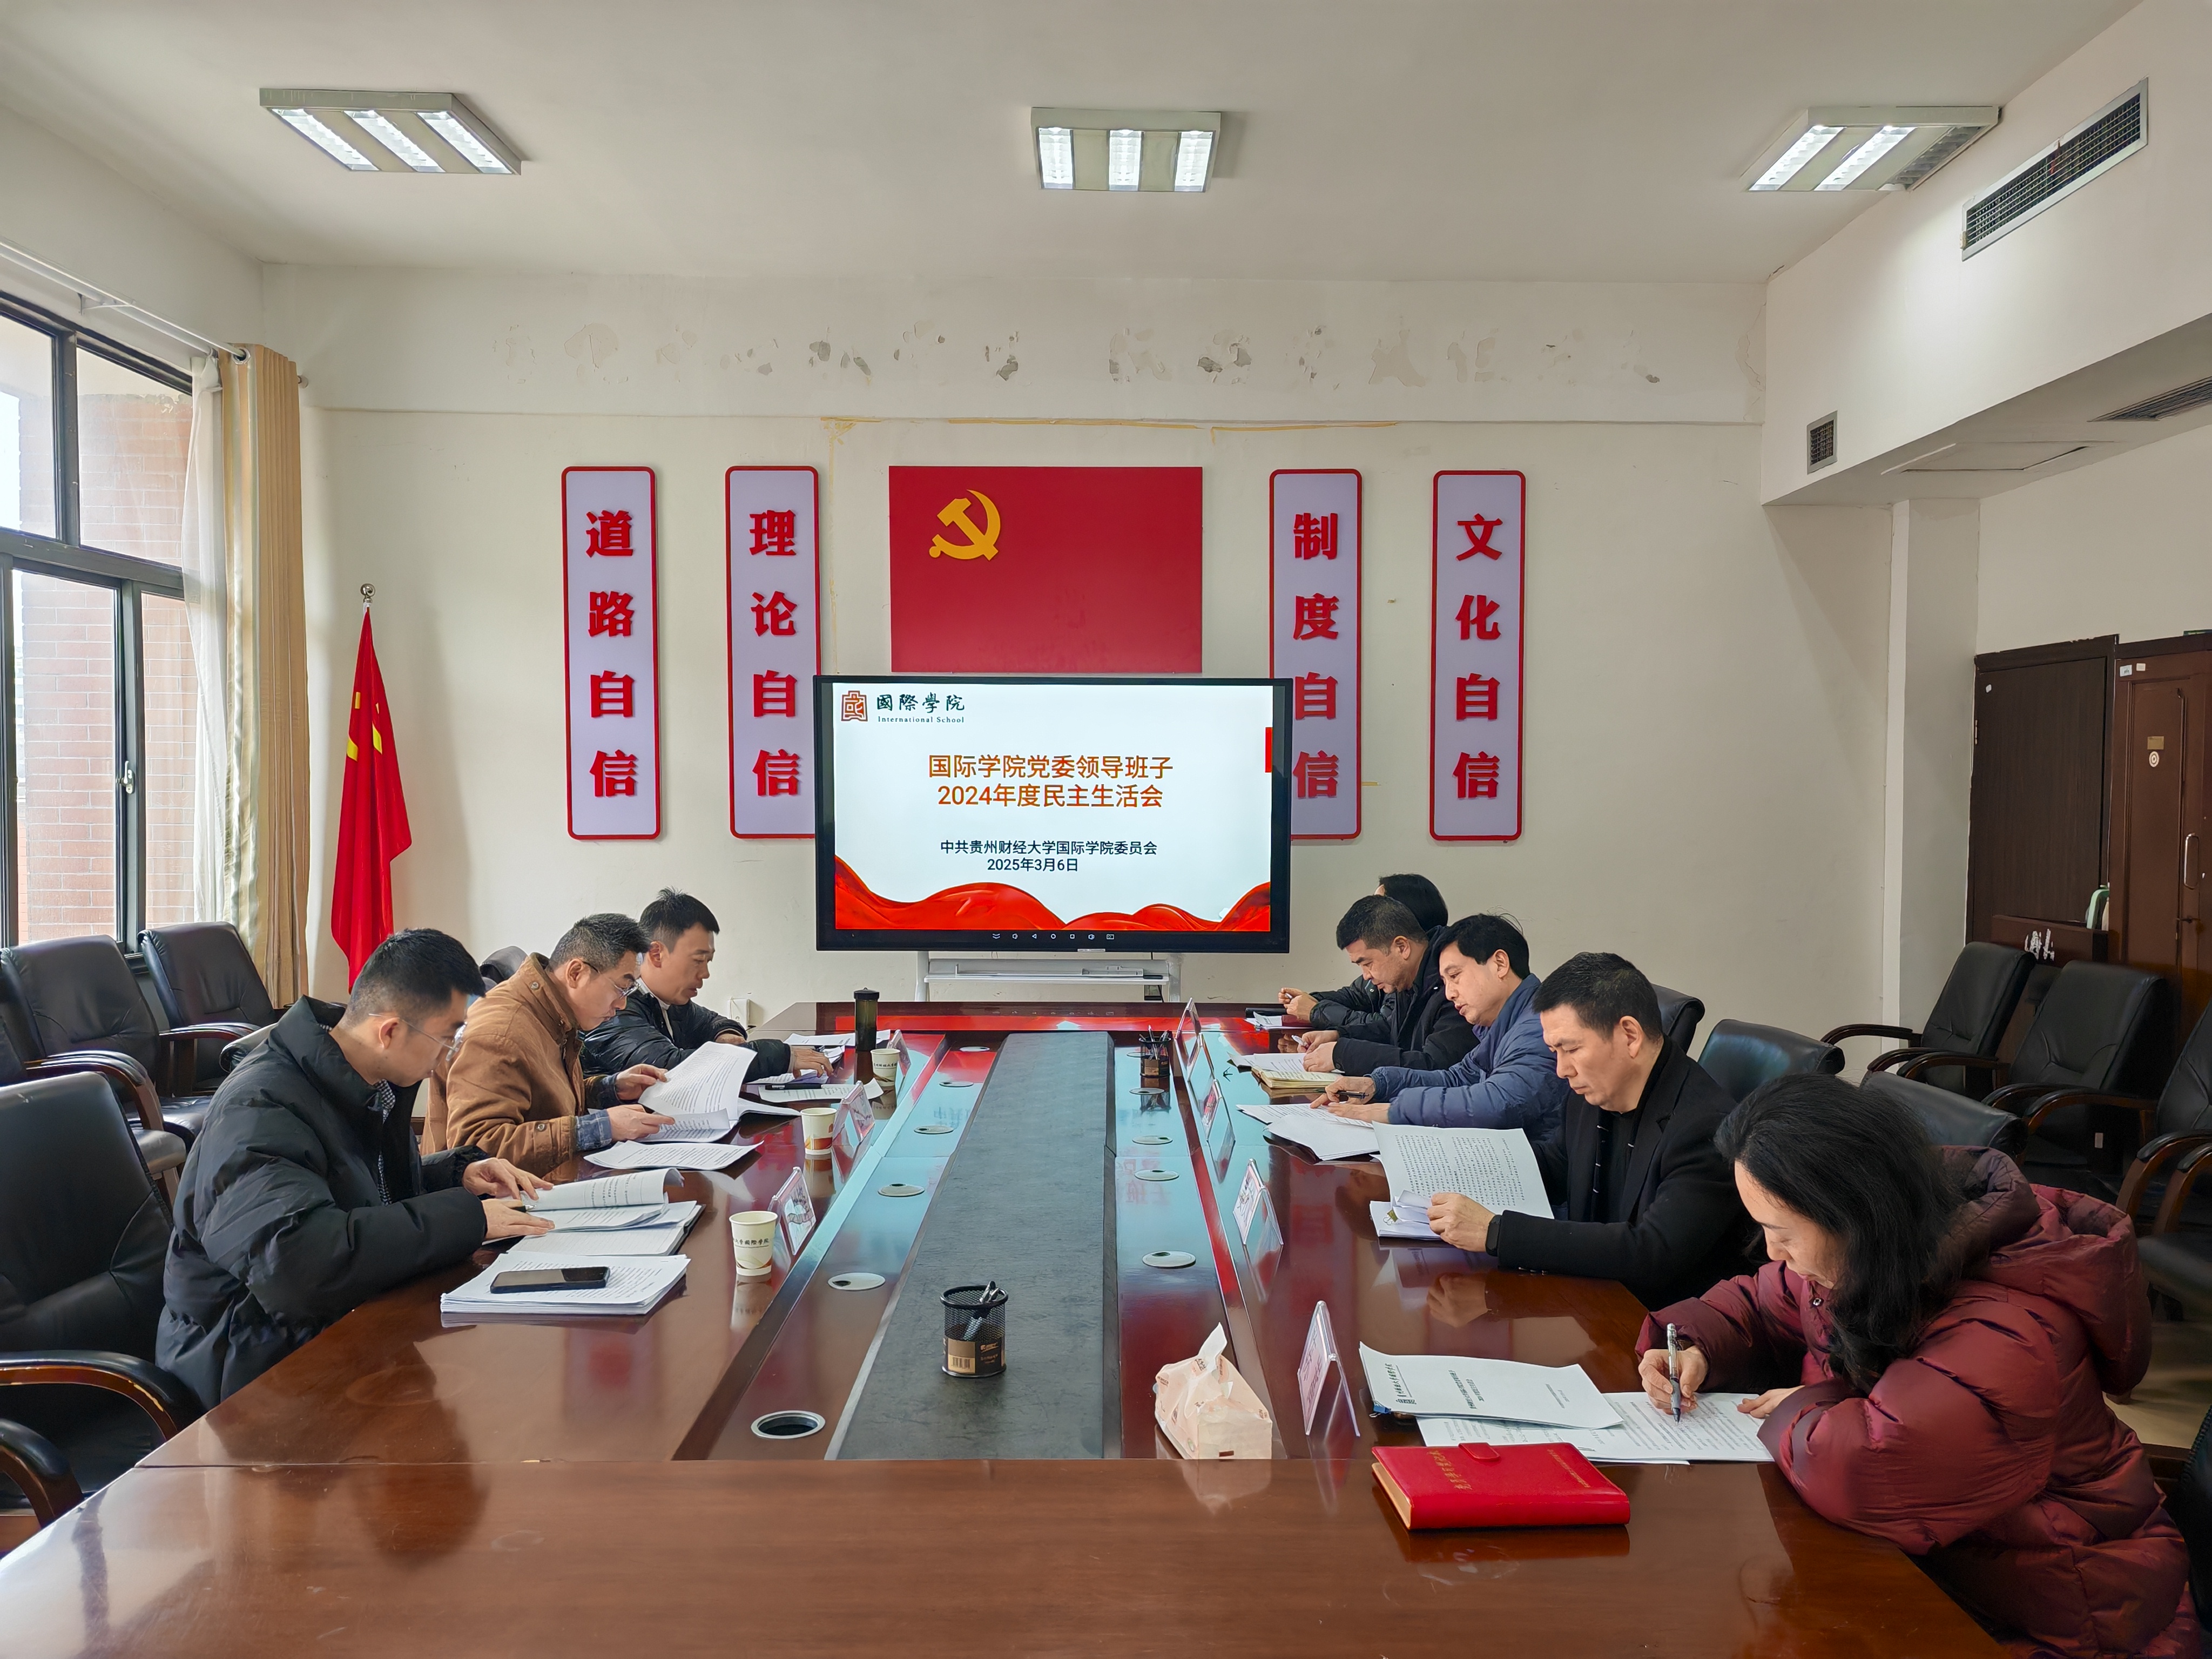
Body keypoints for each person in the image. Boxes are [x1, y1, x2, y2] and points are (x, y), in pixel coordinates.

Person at [1636, 1075, 2197, 1659]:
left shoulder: (2008, 1328)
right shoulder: (1865, 1257)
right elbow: (1762, 1298)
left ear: (1850, 1211)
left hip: (2068, 1614)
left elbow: (1866, 1469)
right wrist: (1696, 1344)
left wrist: (1808, 1402)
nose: (1773, 1252)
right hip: (1951, 1574)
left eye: (1781, 1233)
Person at [158, 929, 556, 1408]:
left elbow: (354, 1191)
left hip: (323, 1330)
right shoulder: (259, 1109)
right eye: (447, 1036)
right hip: (249, 1365)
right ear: (390, 1031)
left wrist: (454, 1176)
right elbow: (298, 1266)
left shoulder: (362, 1081)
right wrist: (466, 1219)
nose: (450, 1053)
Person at [1425, 952, 1746, 1309]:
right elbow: (1556, 1163)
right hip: (1585, 1298)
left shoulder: (1706, 1127)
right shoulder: (1594, 1091)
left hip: (1652, 1323)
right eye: (1554, 1051)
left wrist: (1497, 1232)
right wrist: (1455, 1167)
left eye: (1571, 1049)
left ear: (1629, 1035)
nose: (1562, 1069)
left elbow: (1651, 1252)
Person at [428, 912, 673, 1175]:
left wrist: (610, 1089)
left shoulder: (553, 1015)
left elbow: (542, 1098)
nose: (622, 1004)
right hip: (499, 1199)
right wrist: (600, 1127)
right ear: (576, 973)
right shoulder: (500, 1033)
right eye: (621, 988)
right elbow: (477, 1150)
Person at [1316, 913, 1566, 1139]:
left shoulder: (1540, 1027)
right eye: (1445, 982)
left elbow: (1498, 1104)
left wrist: (1400, 1109)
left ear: (1499, 964)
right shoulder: (1501, 1025)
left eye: (1455, 976)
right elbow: (1457, 1077)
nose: (1449, 993)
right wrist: (1378, 1084)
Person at [582, 888, 829, 1083]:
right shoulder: (614, 1008)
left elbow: (711, 1022)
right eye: (698, 961)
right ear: (657, 954)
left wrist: (726, 1035)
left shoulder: (668, 1001)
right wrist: (780, 1057)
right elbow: (670, 1068)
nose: (706, 974)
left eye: (708, 962)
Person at [1296, 895, 1474, 1077]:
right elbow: (1393, 1032)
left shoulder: (1453, 988)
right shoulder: (1407, 977)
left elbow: (1434, 1067)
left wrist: (1344, 1054)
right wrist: (1339, 1035)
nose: (1366, 976)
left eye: (1368, 964)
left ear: (1402, 947)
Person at [1277, 873, 1448, 1035]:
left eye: (1378, 906)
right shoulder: (1394, 965)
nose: (1369, 914)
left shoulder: (1426, 975)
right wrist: (1313, 1000)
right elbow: (1357, 995)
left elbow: (1385, 1029)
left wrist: (1316, 1012)